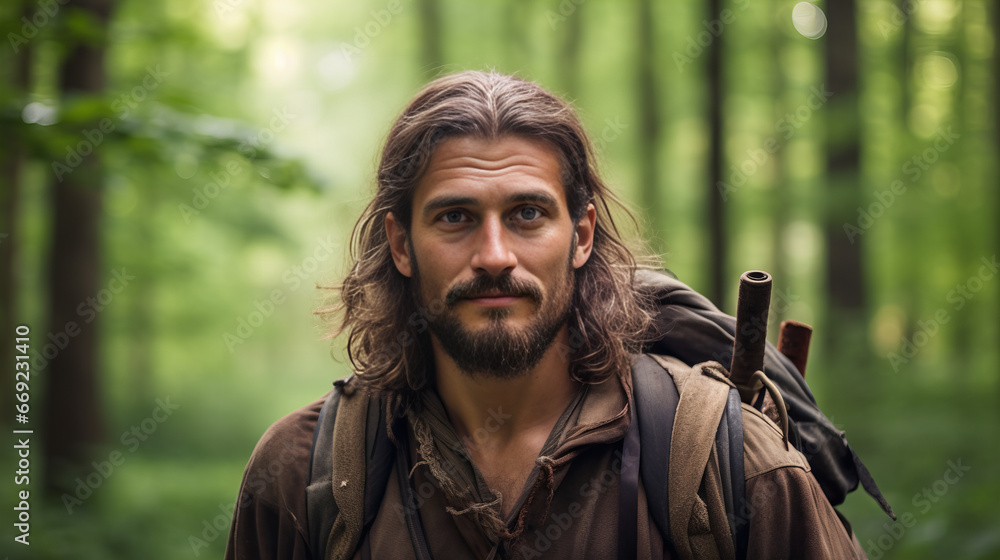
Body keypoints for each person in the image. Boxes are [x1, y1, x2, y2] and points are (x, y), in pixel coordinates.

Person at [224, 70, 867, 559]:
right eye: (456, 217)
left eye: (528, 214)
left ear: (582, 235)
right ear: (400, 245)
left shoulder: (729, 469)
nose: (495, 256)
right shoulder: (302, 478)